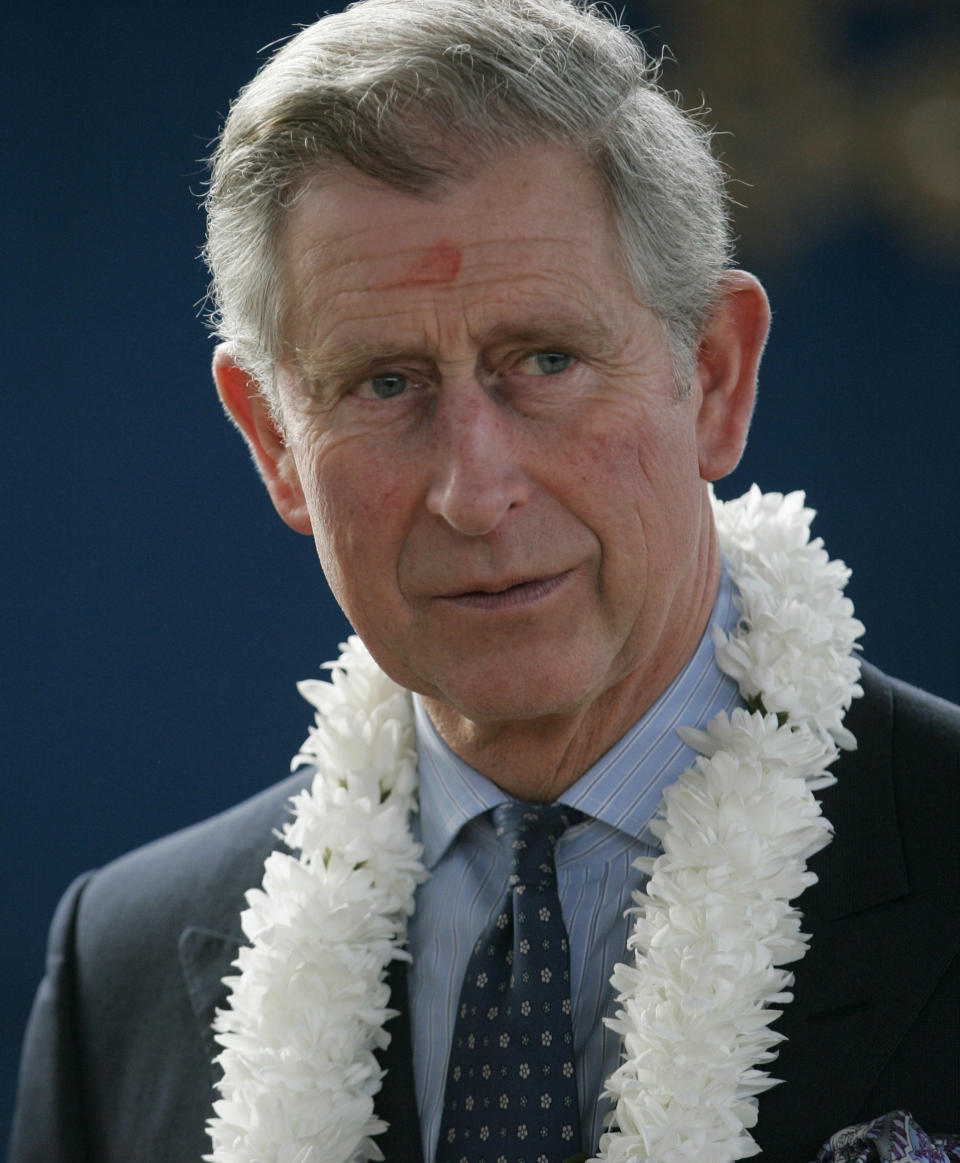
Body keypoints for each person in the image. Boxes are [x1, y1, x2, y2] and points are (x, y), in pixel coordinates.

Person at [9, 1, 959, 1161]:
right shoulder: (125, 973)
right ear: (272, 443)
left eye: (545, 360)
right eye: (384, 383)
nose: (474, 487)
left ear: (713, 376)